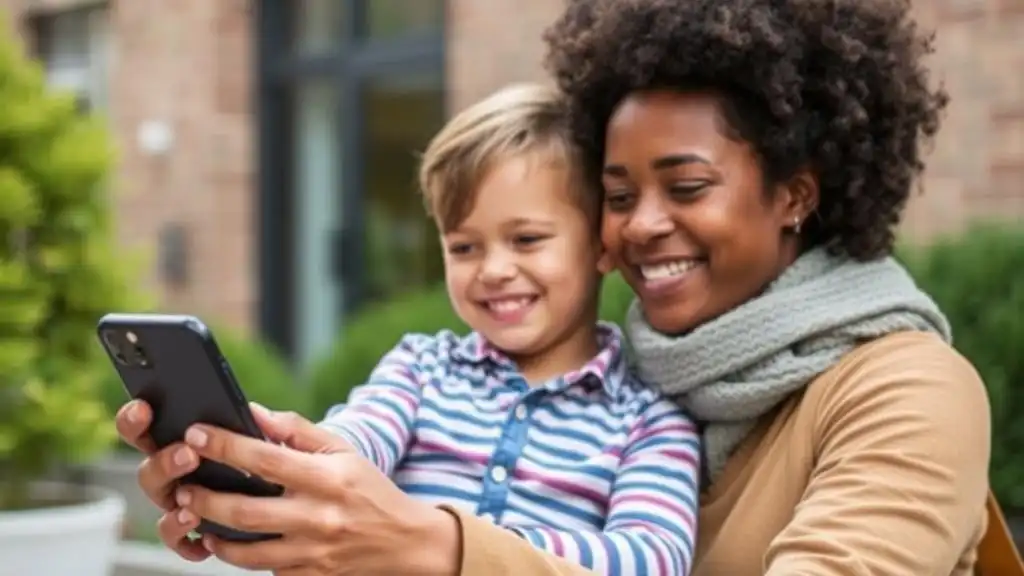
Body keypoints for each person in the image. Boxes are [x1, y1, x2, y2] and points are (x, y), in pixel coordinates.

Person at [114, 0, 992, 574]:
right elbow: (354, 448)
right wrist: (266, 481)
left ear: (796, 192)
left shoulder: (902, 389)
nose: (641, 224)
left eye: (686, 187)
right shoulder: (669, 382)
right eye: (616, 196)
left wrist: (436, 545)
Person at [116, 83, 701, 576]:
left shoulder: (651, 420)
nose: (494, 270)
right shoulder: (421, 370)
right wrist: (253, 462)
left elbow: (651, 560)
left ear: (601, 244)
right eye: (464, 246)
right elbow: (352, 440)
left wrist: (454, 544)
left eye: (526, 239)